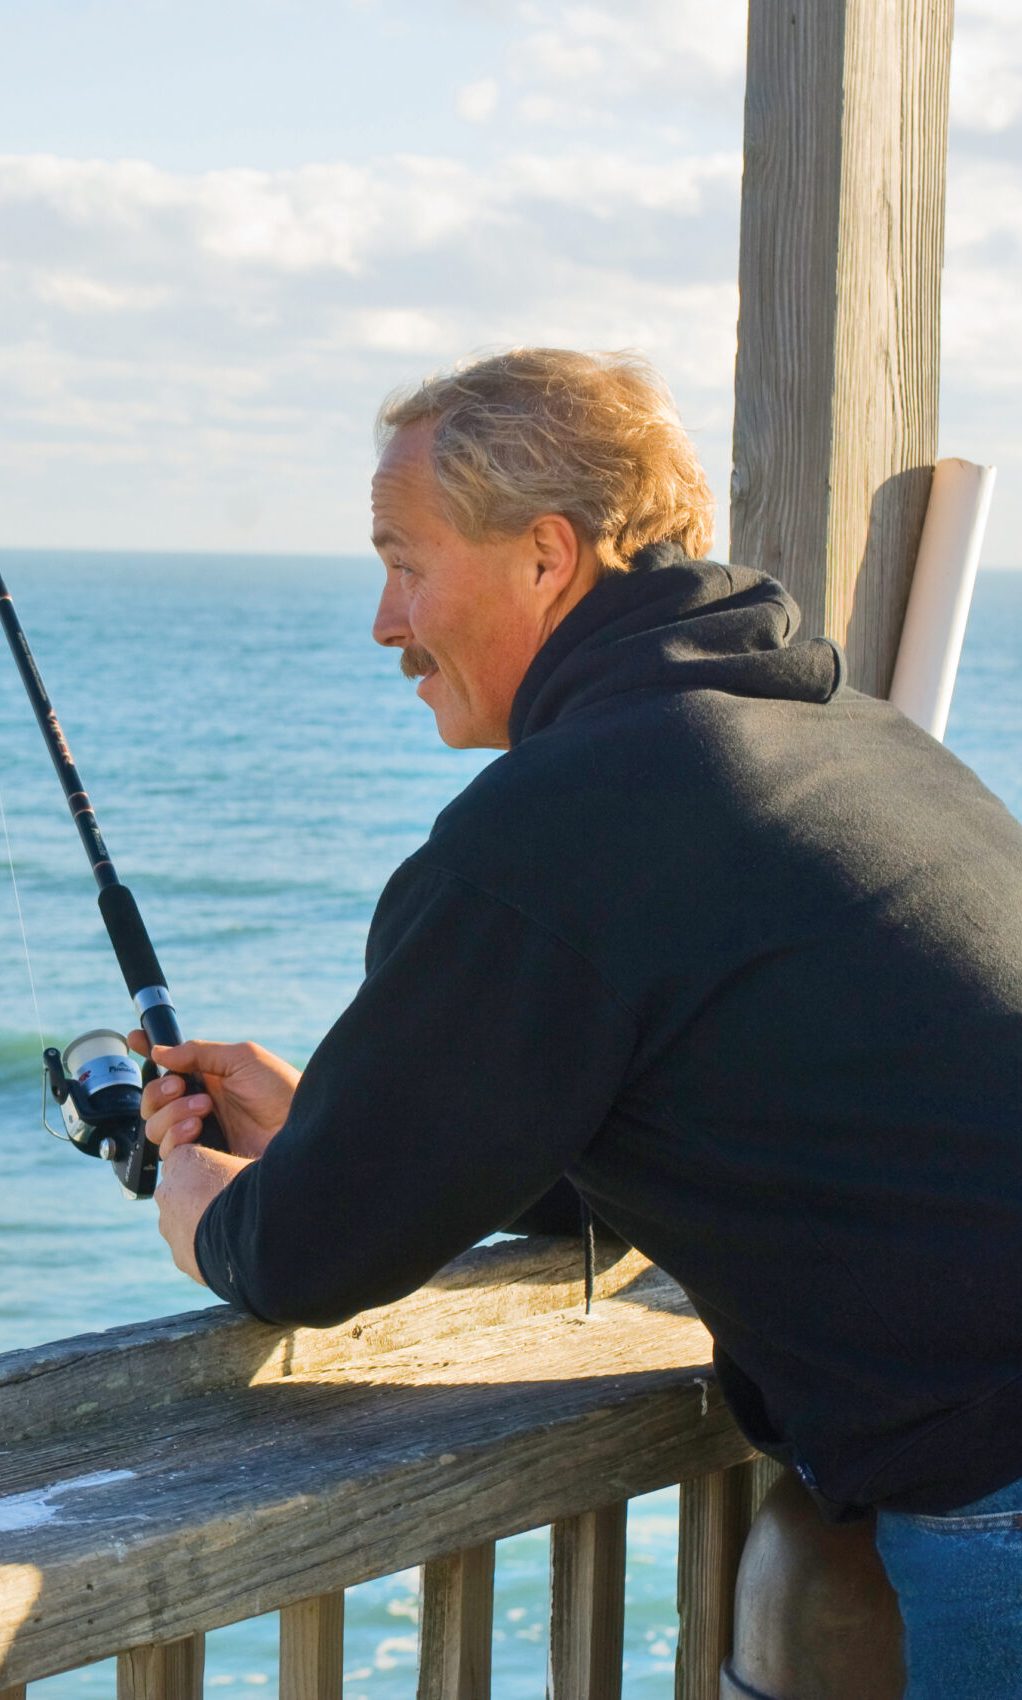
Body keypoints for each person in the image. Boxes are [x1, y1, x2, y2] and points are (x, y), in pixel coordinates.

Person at [138, 348, 1022, 1696]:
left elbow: (307, 1256)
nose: (385, 622)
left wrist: (209, 1212)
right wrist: (337, 1124)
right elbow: (687, 1109)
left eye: (405, 563)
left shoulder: (561, 823)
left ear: (546, 558)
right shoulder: (853, 739)